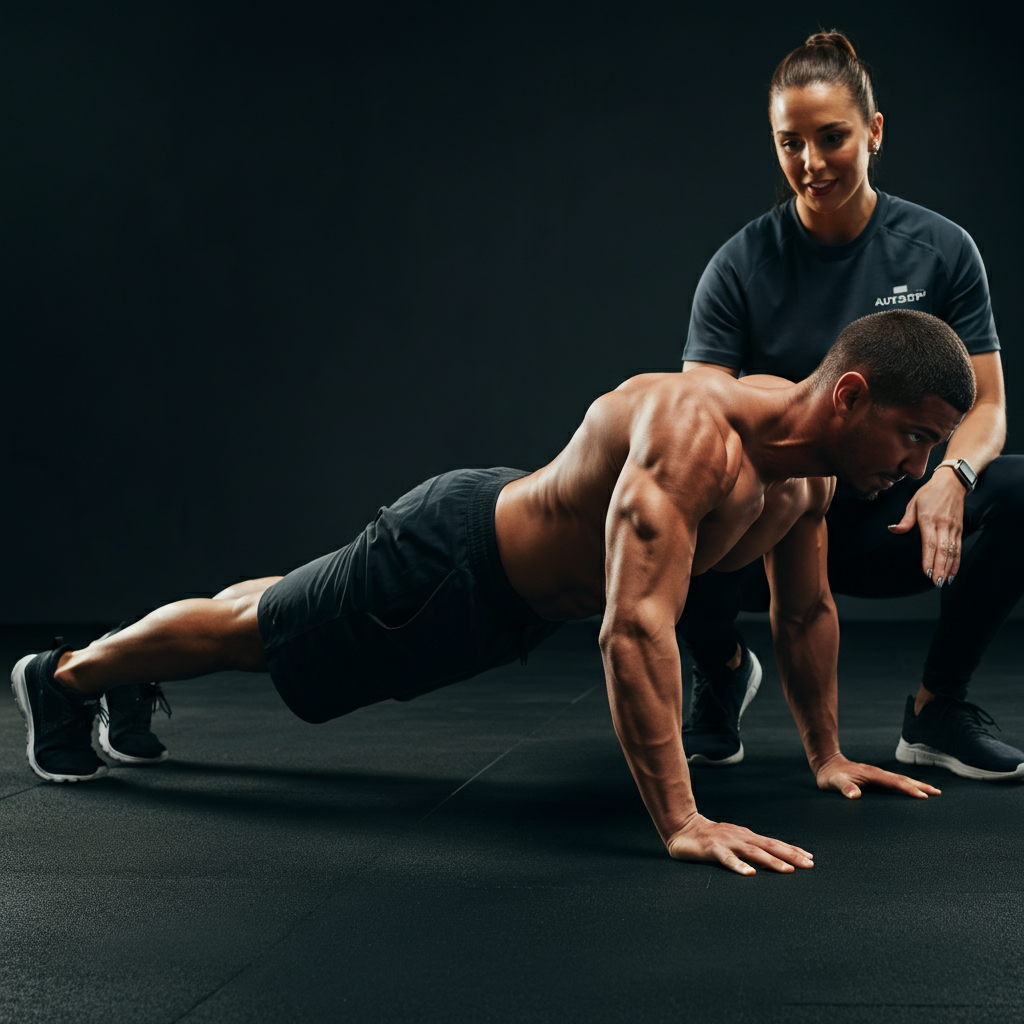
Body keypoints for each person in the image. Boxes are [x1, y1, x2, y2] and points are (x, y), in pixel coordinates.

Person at [13, 310, 968, 875]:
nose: (919, 463)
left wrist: (828, 754)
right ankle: (64, 677)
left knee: (265, 610)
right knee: (254, 631)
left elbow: (803, 612)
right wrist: (680, 820)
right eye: (915, 437)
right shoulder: (695, 436)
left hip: (503, 596)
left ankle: (116, 670)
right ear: (847, 395)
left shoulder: (809, 479)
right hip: (447, 565)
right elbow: (632, 627)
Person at [678, 31, 1024, 782]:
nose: (810, 163)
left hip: (890, 517)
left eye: (831, 138)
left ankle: (937, 711)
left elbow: (990, 404)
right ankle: (722, 667)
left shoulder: (941, 249)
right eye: (789, 143)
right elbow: (697, 416)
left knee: (1021, 489)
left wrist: (951, 476)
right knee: (673, 500)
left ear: (873, 131)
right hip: (770, 522)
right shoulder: (740, 266)